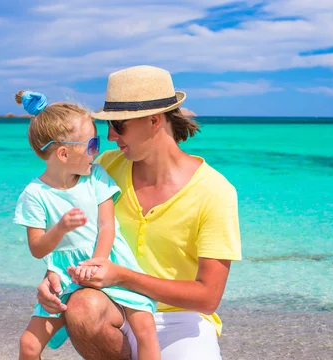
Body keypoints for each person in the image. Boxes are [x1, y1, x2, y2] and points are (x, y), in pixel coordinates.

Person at [35, 65, 242, 359]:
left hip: (182, 321)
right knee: (82, 307)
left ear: (155, 121)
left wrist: (124, 276)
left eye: (118, 125)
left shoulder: (215, 191)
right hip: (116, 309)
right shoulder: (104, 168)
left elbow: (208, 298)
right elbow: (74, 236)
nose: (109, 136)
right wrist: (52, 275)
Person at [13, 91, 160, 360]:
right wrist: (60, 228)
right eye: (92, 145)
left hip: (108, 262)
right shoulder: (34, 194)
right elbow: (36, 248)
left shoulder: (96, 178)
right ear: (64, 153)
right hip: (63, 276)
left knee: (146, 328)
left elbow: (107, 227)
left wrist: (97, 263)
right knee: (29, 344)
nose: (98, 151)